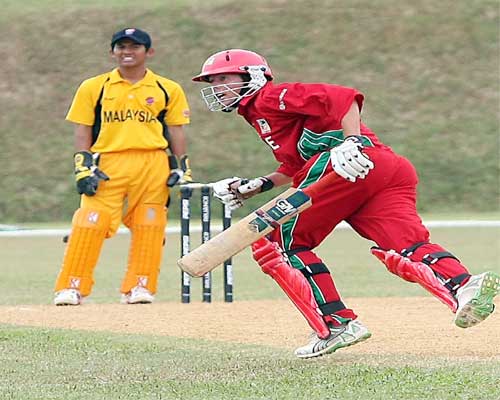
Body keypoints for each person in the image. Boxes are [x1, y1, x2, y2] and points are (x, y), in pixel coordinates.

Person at [192, 49, 500, 358]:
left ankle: (336, 323)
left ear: (253, 76)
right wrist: (257, 186)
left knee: (278, 245)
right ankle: (464, 284)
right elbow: (293, 166)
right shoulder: (259, 116)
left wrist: (352, 141)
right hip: (384, 167)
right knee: (402, 246)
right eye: (213, 82)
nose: (217, 87)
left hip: (346, 166)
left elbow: (343, 97)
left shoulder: (274, 97)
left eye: (224, 79)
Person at [54, 28, 192, 306]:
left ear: (148, 52)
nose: (127, 52)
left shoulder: (167, 88)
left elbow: (176, 130)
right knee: (89, 222)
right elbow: (82, 130)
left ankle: (140, 286)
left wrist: (182, 167)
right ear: (112, 52)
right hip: (108, 161)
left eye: (134, 47)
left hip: (152, 162)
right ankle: (71, 286)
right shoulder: (94, 87)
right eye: (121, 47)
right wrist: (83, 166)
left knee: (149, 223)